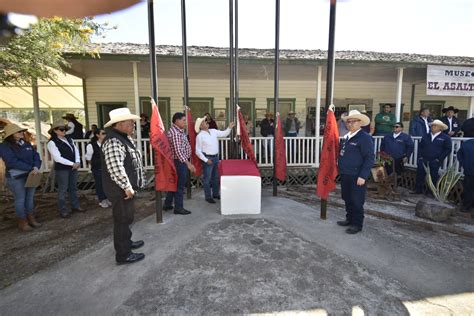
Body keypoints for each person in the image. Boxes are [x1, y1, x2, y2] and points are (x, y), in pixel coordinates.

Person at [101, 108, 146, 265]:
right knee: (122, 220)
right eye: (130, 122)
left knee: (127, 218)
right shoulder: (114, 140)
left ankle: (127, 243)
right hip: (119, 190)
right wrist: (126, 186)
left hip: (124, 189)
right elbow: (116, 167)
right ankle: (123, 254)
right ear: (119, 124)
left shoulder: (124, 138)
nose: (133, 124)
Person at [337, 110, 375, 234]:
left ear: (360, 123)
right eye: (348, 121)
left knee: (357, 200)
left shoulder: (364, 138)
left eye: (353, 121)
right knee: (347, 198)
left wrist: (363, 176)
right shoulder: (347, 137)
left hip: (357, 175)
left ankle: (357, 224)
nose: (350, 124)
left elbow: (369, 158)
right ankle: (349, 219)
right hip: (346, 173)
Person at [0, 123, 42, 231]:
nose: (22, 133)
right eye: (19, 132)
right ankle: (22, 222)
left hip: (31, 175)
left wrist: (36, 166)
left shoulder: (26, 144)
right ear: (12, 134)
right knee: (20, 199)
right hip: (16, 177)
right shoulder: (4, 146)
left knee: (29, 198)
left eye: (22, 131)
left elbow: (36, 156)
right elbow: (12, 162)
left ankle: (30, 218)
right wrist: (31, 168)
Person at [47, 120, 84, 218]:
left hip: (73, 167)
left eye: (65, 129)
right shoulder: (52, 143)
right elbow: (57, 158)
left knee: (73, 188)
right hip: (62, 169)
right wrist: (72, 164)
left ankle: (75, 206)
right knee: (63, 189)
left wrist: (77, 161)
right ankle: (63, 210)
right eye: (61, 129)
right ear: (55, 131)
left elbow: (76, 151)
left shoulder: (69, 139)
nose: (64, 131)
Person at [195, 117, 235, 203]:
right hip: (208, 158)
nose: (206, 122)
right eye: (204, 122)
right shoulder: (200, 136)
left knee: (216, 177)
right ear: (201, 126)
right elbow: (197, 151)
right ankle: (208, 196)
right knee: (207, 178)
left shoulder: (213, 131)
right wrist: (205, 160)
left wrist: (229, 127)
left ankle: (215, 194)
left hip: (216, 157)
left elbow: (224, 134)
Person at [163, 112, 196, 214]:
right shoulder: (175, 133)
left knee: (175, 184)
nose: (185, 122)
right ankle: (178, 208)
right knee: (179, 186)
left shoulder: (178, 131)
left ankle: (167, 204)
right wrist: (188, 164)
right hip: (179, 162)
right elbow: (178, 151)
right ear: (177, 121)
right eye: (183, 120)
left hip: (180, 161)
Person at [413, 120, 452, 194]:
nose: (433, 127)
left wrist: (439, 159)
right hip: (424, 159)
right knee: (420, 175)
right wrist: (420, 157)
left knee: (433, 176)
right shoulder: (426, 136)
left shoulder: (445, 137)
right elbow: (420, 147)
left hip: (435, 160)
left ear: (440, 128)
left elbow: (447, 149)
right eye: (432, 125)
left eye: (435, 125)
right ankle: (418, 190)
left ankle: (431, 192)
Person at [85, 128, 111, 208]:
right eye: (103, 133)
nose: (105, 135)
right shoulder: (91, 145)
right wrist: (94, 165)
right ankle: (102, 200)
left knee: (107, 184)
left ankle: (107, 198)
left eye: (105, 133)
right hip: (97, 168)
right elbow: (88, 158)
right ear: (97, 135)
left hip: (107, 168)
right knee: (99, 184)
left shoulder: (107, 144)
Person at [457, 137, 474, 213]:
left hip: (469, 170)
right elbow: (459, 154)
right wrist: (464, 164)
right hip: (469, 171)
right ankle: (467, 206)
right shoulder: (467, 143)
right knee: (468, 189)